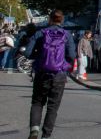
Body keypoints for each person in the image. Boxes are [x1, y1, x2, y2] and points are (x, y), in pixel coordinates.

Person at [25, 10, 76, 139]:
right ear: (62, 20)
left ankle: (34, 130)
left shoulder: (40, 33)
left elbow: (27, 53)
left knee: (37, 102)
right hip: (59, 74)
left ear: (49, 19)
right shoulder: (67, 35)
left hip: (42, 73)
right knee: (52, 107)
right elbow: (72, 55)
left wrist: (38, 57)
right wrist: (65, 65)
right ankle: (46, 136)